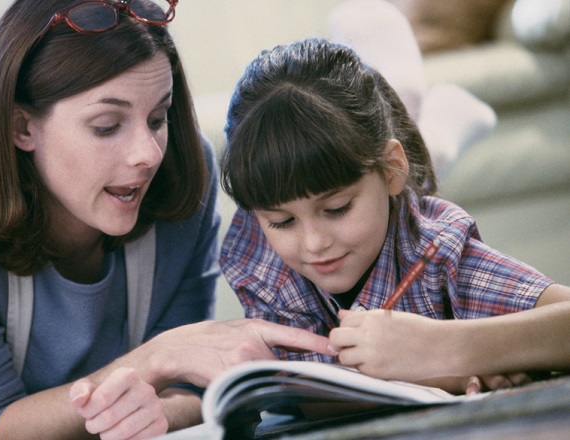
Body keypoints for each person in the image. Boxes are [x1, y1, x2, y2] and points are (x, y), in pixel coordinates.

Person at [0, 1, 333, 439]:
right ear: (22, 127)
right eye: (107, 126)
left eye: (158, 117)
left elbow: (189, 388)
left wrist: (166, 405)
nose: (147, 155)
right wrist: (155, 360)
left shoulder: (181, 167)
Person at [219, 37, 570, 395]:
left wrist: (451, 347)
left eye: (337, 208)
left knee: (418, 183)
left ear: (390, 170)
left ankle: (431, 119)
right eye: (282, 221)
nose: (314, 243)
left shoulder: (437, 248)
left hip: (402, 195)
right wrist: (443, 377)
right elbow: (302, 394)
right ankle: (429, 123)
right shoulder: (260, 254)